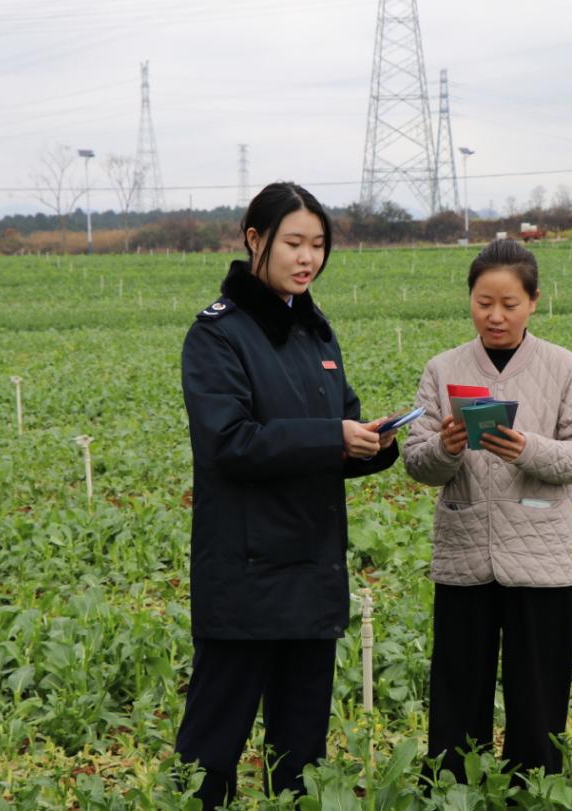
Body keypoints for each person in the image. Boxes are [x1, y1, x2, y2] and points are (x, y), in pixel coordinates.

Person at [175, 182, 399, 809]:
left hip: (312, 566)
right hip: (246, 574)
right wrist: (332, 438)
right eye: (294, 242)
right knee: (210, 750)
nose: (308, 258)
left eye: (319, 245)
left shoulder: (316, 333)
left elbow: (334, 434)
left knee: (300, 753)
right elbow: (230, 443)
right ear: (255, 240)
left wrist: (372, 446)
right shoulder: (218, 336)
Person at [402, 238, 572, 782]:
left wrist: (529, 449)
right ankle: (452, 786)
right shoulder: (443, 369)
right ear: (469, 300)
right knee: (458, 683)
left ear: (534, 301)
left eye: (509, 304)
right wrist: (446, 448)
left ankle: (533, 786)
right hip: (465, 550)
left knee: (537, 691)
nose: (495, 316)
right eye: (483, 302)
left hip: (540, 555)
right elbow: (416, 463)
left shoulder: (564, 367)